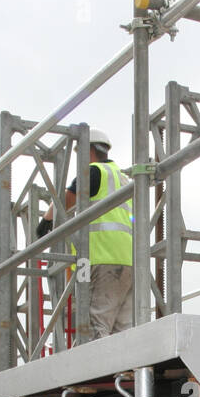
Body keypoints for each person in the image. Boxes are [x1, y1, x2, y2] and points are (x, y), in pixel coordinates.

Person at [37, 129, 134, 339]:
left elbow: (67, 199)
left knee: (94, 326)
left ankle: (102, 372)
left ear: (86, 150)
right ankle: (126, 372)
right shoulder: (124, 179)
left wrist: (45, 221)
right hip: (128, 261)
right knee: (123, 331)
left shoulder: (95, 172)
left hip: (102, 259)